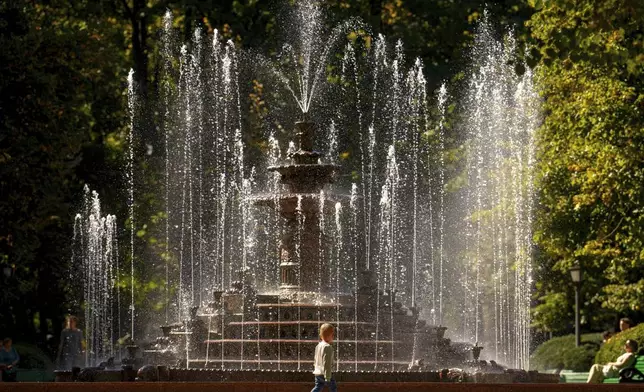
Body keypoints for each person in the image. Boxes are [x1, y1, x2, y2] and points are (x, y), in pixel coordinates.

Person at [311, 323, 337, 392]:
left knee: (318, 387)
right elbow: (327, 363)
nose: (333, 337)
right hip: (325, 374)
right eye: (332, 335)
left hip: (317, 373)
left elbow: (315, 359)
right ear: (329, 336)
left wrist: (316, 369)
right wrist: (327, 377)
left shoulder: (318, 346)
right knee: (333, 387)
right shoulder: (328, 347)